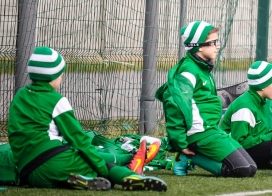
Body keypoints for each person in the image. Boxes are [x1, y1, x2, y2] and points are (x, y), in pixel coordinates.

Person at [7, 46, 167, 191]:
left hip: (27, 171)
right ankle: (131, 177)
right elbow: (79, 140)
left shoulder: (19, 96)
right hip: (54, 161)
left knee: (60, 171)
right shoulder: (56, 100)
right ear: (53, 76)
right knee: (103, 168)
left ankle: (75, 180)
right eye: (60, 75)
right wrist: (101, 166)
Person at [155, 21, 257, 177]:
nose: (217, 46)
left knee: (251, 167)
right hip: (200, 133)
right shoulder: (188, 71)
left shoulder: (203, 67)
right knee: (241, 170)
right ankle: (188, 156)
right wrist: (179, 142)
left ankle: (192, 155)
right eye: (213, 42)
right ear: (199, 46)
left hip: (211, 130)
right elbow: (175, 105)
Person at [220, 61, 272, 169]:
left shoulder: (261, 101)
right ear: (263, 85)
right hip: (234, 151)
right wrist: (271, 137)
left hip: (250, 148)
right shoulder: (245, 107)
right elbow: (240, 142)